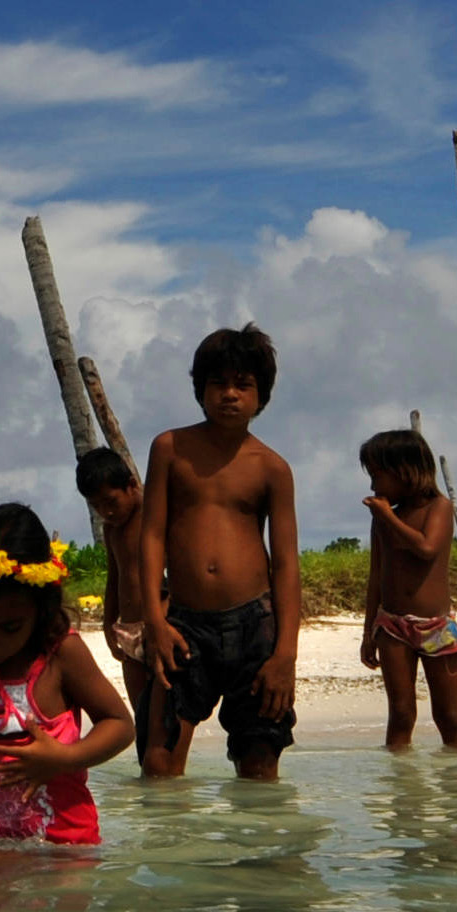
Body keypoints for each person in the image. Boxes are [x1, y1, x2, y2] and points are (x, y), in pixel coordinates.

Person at [136, 325, 301, 782]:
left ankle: (256, 851)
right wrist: (154, 619)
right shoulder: (170, 449)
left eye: (243, 385)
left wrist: (285, 653)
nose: (230, 394)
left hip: (256, 625)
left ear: (261, 395)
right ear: (201, 390)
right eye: (218, 383)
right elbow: (151, 537)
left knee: (260, 764)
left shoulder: (272, 468)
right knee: (160, 761)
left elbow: (286, 564)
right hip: (184, 624)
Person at [0, 504, 131, 848]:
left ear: (41, 609)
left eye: (10, 627)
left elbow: (120, 724)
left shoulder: (59, 656)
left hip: (66, 850)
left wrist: (65, 759)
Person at [356, 428, 457, 754]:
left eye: (378, 476)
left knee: (448, 717)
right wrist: (368, 632)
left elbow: (426, 548)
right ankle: (403, 796)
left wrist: (387, 517)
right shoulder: (384, 517)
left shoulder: (439, 508)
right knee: (401, 715)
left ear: (404, 471)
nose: (373, 486)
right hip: (392, 626)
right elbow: (376, 576)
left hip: (436, 626)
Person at [73, 446, 154, 763]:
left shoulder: (153, 518)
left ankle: (164, 775)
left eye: (111, 501)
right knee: (142, 715)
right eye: (96, 506)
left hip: (158, 626)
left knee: (163, 713)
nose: (106, 511)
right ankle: (148, 771)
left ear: (132, 486)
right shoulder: (111, 531)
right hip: (128, 628)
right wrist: (109, 624)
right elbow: (114, 579)